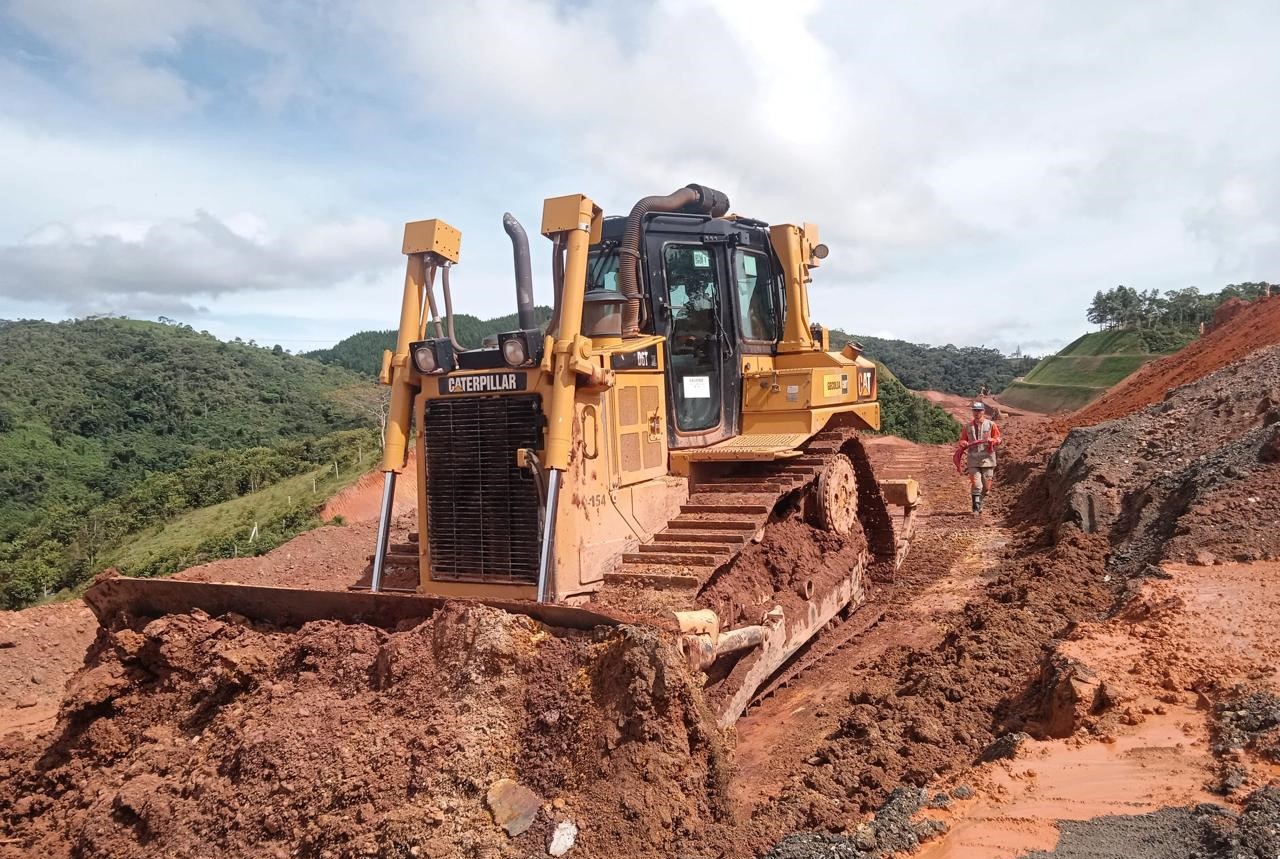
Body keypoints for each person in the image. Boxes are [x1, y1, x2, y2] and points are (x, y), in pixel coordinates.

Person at [955, 401, 1001, 514]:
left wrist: (993, 440)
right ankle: (975, 508)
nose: (977, 413)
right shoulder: (967, 427)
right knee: (976, 484)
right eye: (975, 411)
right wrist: (963, 443)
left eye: (979, 410)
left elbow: (998, 439)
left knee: (986, 486)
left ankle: (980, 502)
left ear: (983, 411)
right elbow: (962, 439)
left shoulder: (991, 425)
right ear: (972, 412)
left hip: (988, 460)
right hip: (973, 459)